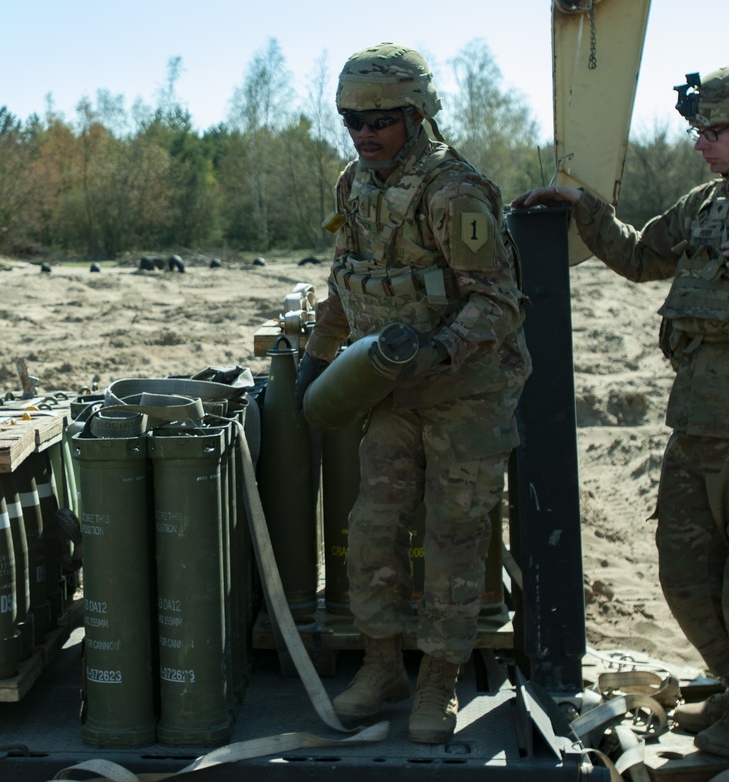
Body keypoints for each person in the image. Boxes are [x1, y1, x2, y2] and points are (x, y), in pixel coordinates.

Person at [295, 43, 531, 744]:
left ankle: (438, 681)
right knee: (371, 527)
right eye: (352, 123)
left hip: (467, 393)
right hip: (393, 390)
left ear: (417, 115)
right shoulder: (354, 186)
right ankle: (381, 666)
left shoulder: (455, 191)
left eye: (381, 121)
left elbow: (499, 304)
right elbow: (347, 278)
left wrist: (442, 349)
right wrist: (317, 355)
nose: (365, 135)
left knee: (454, 536)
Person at [513, 65, 729, 756]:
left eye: (718, 131)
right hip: (695, 430)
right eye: (699, 131)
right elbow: (640, 258)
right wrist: (583, 208)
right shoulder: (705, 206)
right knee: (685, 575)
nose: (703, 144)